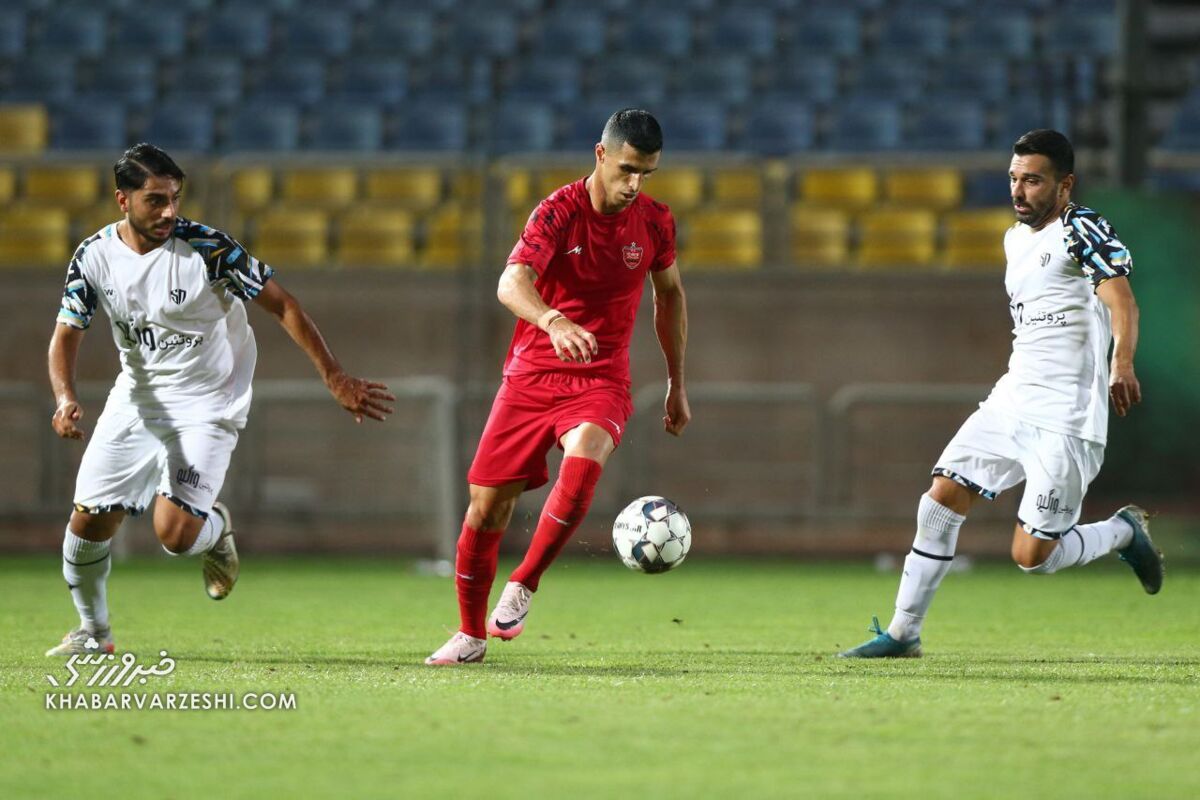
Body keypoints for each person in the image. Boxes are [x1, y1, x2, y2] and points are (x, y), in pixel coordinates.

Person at [46, 143, 395, 656]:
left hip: (208, 400)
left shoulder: (208, 249)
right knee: (89, 519)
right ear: (122, 200)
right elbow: (66, 333)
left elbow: (284, 305)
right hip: (138, 398)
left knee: (175, 534)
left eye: (174, 199)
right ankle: (93, 633)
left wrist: (334, 375)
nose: (168, 212)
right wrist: (64, 397)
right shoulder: (94, 256)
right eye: (154, 201)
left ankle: (216, 529)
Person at [839, 129, 1162, 659]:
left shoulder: (1082, 228)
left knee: (1032, 555)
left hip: (1067, 418)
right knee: (942, 497)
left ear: (1065, 184)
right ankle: (902, 634)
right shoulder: (1014, 239)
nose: (1019, 190)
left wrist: (1120, 362)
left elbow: (1122, 302)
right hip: (1012, 399)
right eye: (1014, 178)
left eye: (1033, 180)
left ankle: (1122, 532)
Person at [426, 109, 690, 665]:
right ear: (600, 155)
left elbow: (670, 297)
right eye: (626, 169)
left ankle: (524, 582)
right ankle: (471, 635)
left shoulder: (656, 222)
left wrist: (676, 382)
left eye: (646, 173)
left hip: (601, 374)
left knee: (588, 446)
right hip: (531, 373)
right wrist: (552, 321)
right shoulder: (557, 212)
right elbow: (511, 281)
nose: (634, 184)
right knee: (485, 510)